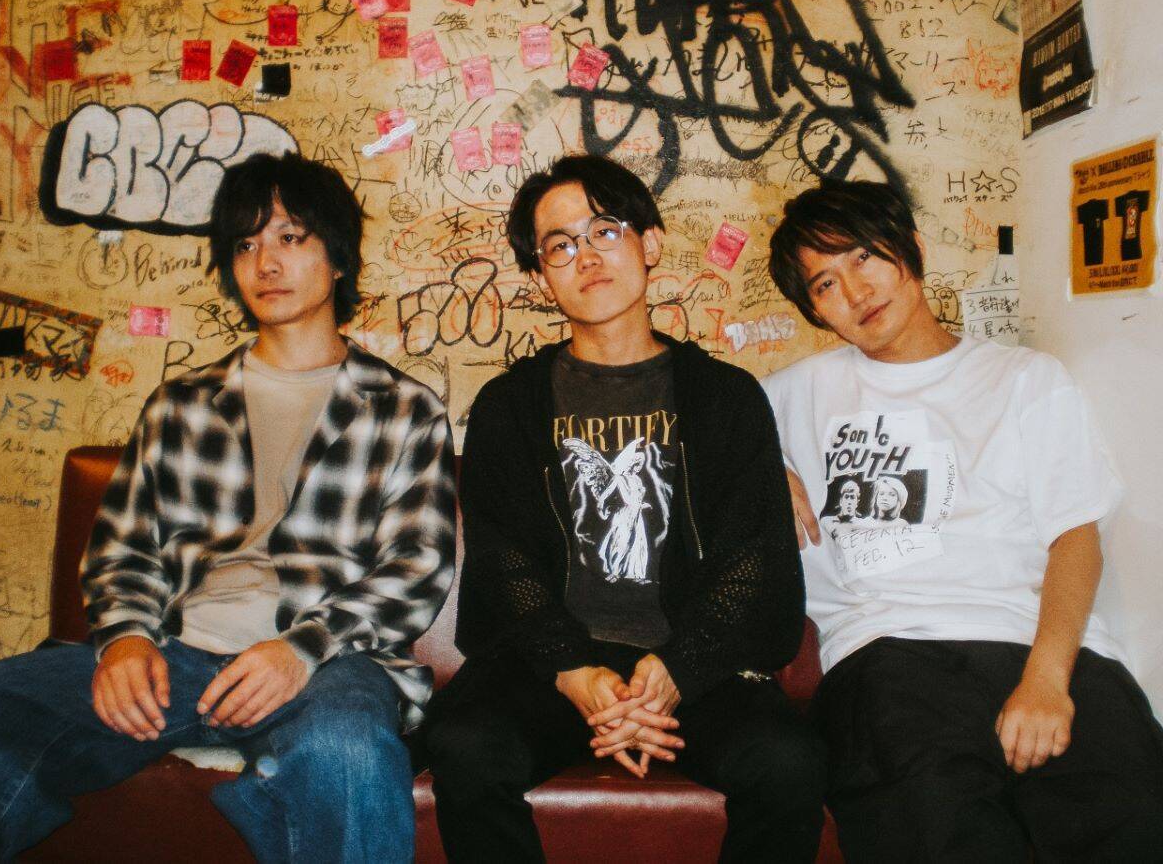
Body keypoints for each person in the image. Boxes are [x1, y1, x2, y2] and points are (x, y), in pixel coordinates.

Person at [0, 153, 456, 863]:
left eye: (290, 237)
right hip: (177, 654)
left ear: (339, 258)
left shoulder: (404, 409)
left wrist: (299, 649)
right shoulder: (182, 404)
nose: (266, 263)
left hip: (328, 663)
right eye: (246, 244)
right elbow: (122, 548)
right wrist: (125, 638)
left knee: (347, 751)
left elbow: (416, 567)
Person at [421, 155, 826, 863]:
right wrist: (574, 670)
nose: (586, 257)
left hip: (694, 665)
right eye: (560, 245)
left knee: (787, 762)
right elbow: (503, 558)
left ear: (651, 243)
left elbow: (752, 560)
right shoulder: (508, 406)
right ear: (540, 276)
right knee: (465, 744)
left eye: (605, 231)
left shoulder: (726, 398)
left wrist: (676, 672)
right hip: (548, 669)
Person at [763, 179, 1163, 862]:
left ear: (912, 248)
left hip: (1041, 646)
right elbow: (680, 425)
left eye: (864, 256)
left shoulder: (1026, 378)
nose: (856, 291)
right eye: (825, 284)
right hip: (887, 656)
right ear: (815, 311)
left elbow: (1075, 536)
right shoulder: (792, 394)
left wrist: (1046, 680)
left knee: (1133, 822)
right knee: (942, 829)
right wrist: (765, 465)